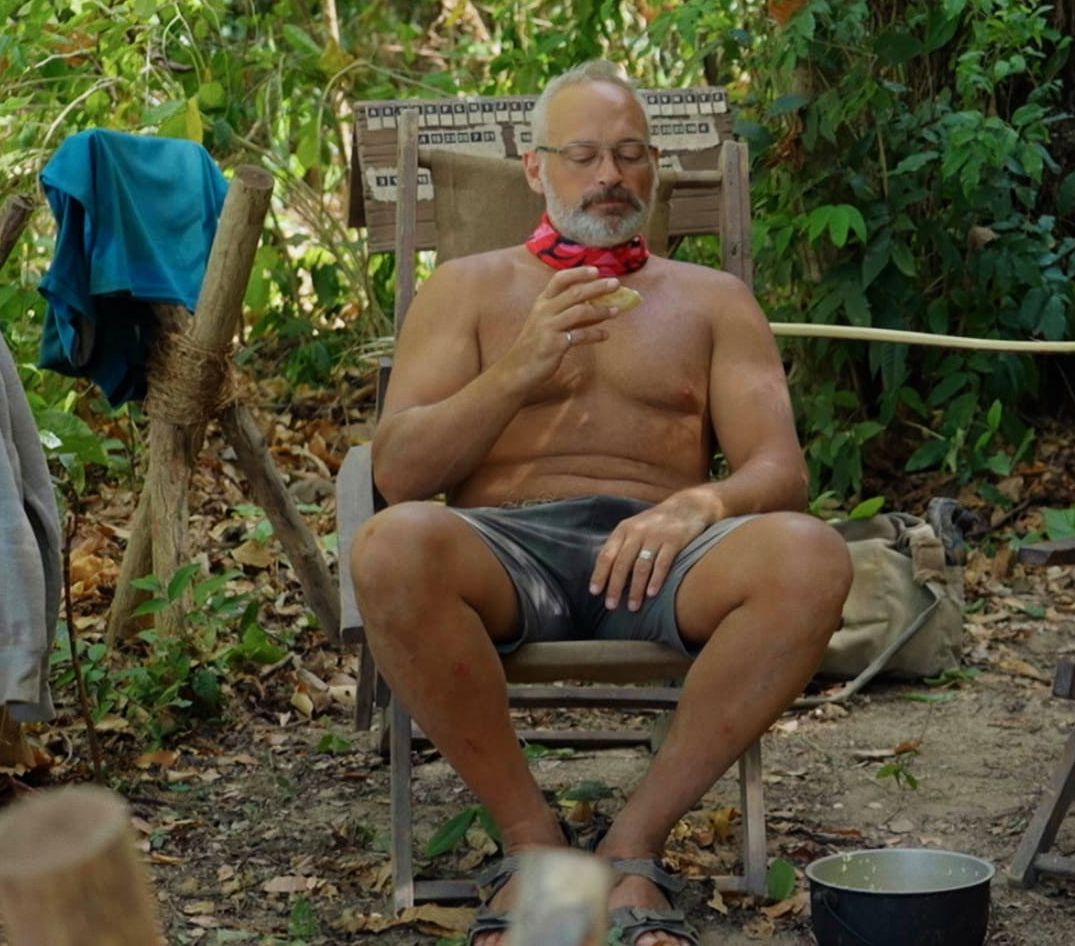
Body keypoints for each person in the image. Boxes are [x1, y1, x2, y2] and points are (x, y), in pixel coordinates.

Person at [351, 60, 853, 946]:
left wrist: (698, 505)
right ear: (534, 167)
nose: (609, 175)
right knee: (391, 544)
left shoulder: (713, 300)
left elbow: (780, 469)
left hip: (664, 558)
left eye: (629, 154)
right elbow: (398, 473)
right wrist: (517, 371)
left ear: (654, 167)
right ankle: (533, 844)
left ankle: (633, 847)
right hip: (507, 552)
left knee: (811, 555)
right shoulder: (467, 288)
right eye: (582, 155)